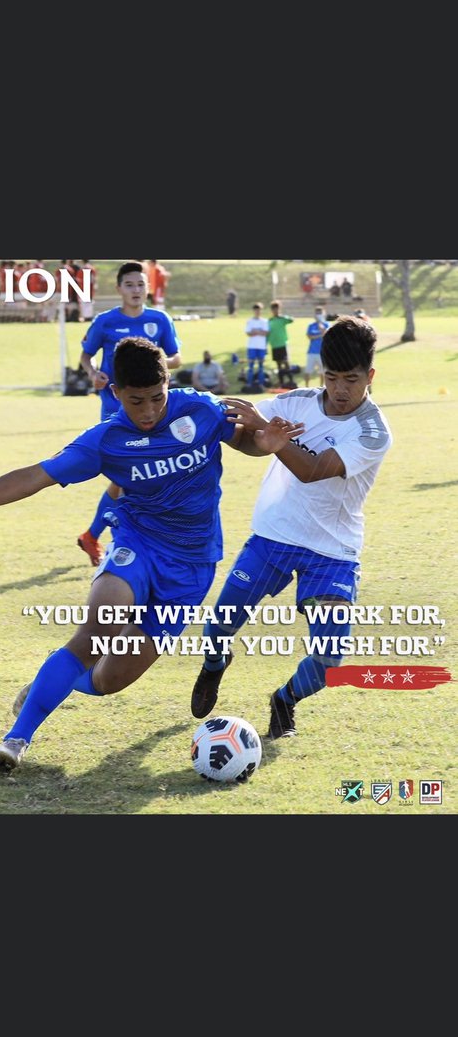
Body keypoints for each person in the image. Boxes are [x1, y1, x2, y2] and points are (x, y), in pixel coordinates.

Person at [0, 338, 304, 771]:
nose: (150, 411)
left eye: (157, 397)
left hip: (193, 566)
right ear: (115, 392)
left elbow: (245, 439)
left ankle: (51, 682)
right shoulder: (105, 440)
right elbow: (33, 477)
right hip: (138, 544)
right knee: (100, 626)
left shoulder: (202, 409)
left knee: (108, 679)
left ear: (168, 382)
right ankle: (16, 739)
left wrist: (263, 443)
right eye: (137, 401)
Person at [189, 315, 393, 742]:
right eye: (331, 377)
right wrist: (248, 436)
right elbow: (251, 441)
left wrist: (270, 435)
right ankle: (214, 664)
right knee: (218, 628)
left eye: (351, 380)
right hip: (274, 538)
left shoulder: (373, 432)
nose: (340, 389)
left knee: (329, 660)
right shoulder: (294, 402)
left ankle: (284, 699)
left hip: (332, 552)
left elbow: (315, 470)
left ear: (370, 376)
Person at [77, 261, 182, 566]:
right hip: (116, 410)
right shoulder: (105, 322)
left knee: (132, 477)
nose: (136, 290)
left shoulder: (159, 320)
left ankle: (94, 536)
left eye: (141, 284)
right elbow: (86, 355)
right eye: (130, 285)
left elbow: (176, 356)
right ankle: (116, 539)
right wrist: (92, 373)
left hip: (154, 409)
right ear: (119, 289)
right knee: (129, 476)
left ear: (148, 288)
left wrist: (156, 359)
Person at [267, 300, 294, 387]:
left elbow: (291, 320)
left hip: (283, 344)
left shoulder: (282, 319)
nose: (275, 311)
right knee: (278, 364)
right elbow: (267, 333)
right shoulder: (270, 321)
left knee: (286, 363)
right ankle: (281, 382)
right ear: (272, 310)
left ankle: (291, 381)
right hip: (274, 345)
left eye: (277, 309)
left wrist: (282, 316)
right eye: (274, 309)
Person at [245, 303, 269, 388]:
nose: (257, 311)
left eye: (259, 310)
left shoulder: (264, 321)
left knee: (261, 366)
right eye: (256, 310)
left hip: (261, 347)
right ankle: (249, 384)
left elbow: (265, 333)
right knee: (251, 365)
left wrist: (255, 331)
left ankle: (261, 384)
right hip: (252, 347)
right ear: (253, 311)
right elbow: (249, 333)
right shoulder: (250, 321)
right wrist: (259, 332)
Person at [304, 306, 328, 388]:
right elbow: (309, 336)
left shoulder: (327, 324)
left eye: (320, 313)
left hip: (322, 352)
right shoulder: (311, 325)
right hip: (311, 352)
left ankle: (322, 387)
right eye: (317, 313)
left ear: (324, 314)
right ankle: (306, 387)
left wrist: (322, 330)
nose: (318, 315)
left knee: (323, 372)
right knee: (308, 371)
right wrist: (320, 334)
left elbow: (327, 335)